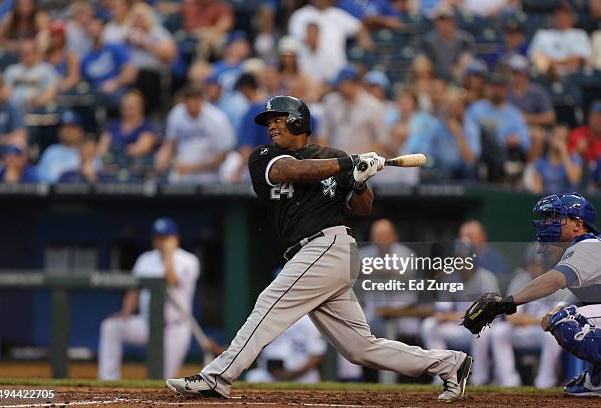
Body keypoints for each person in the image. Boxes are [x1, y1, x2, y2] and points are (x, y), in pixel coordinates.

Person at [166, 95, 473, 403]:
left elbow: (363, 207)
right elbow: (293, 172)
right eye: (269, 121)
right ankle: (450, 364)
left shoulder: (333, 156)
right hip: (312, 255)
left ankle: (217, 377)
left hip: (329, 246)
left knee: (269, 302)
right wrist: (348, 163)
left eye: (278, 118)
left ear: (299, 121)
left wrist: (359, 181)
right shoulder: (262, 156)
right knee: (360, 348)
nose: (271, 125)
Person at [464, 192, 601, 397]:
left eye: (556, 217)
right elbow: (590, 293)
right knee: (564, 315)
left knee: (567, 321)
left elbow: (554, 280)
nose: (548, 222)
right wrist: (559, 307)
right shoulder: (586, 248)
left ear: (577, 224)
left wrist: (507, 303)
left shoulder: (588, 246)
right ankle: (596, 381)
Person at [98, 217, 200, 380]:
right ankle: (107, 380)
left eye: (165, 237)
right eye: (158, 237)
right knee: (111, 327)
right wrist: (126, 311)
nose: (161, 242)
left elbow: (172, 280)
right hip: (146, 325)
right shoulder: (145, 259)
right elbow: (134, 291)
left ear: (176, 239)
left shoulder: (189, 261)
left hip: (173, 330)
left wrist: (168, 255)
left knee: (162, 382)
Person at [421, 242, 498, 385]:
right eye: (458, 258)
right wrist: (460, 316)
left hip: (478, 329)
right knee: (429, 325)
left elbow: (488, 314)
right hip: (457, 327)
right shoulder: (450, 279)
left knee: (485, 331)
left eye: (465, 258)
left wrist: (454, 316)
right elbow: (441, 314)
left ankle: (479, 379)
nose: (461, 261)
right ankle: (442, 376)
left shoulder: (487, 279)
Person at [488, 244, 565, 388]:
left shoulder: (556, 280)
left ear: (546, 263)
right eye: (531, 263)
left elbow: (557, 317)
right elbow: (511, 317)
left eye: (537, 264)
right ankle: (509, 381)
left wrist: (527, 320)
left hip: (544, 332)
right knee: (499, 331)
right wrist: (537, 320)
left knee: (553, 335)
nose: (533, 268)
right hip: (526, 330)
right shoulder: (520, 280)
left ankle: (545, 382)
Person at [155, 85, 235, 184]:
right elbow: (169, 143)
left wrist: (193, 167)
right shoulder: (177, 113)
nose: (192, 103)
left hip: (209, 176)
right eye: (189, 100)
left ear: (202, 100)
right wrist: (162, 159)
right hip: (181, 173)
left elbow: (223, 155)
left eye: (195, 99)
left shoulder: (217, 118)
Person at [288, 0, 373, 85]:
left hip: (336, 77)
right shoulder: (300, 15)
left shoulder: (337, 14)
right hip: (306, 75)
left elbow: (359, 28)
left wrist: (364, 40)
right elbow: (293, 43)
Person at [319, 66, 390, 155]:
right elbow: (323, 135)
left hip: (362, 163)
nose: (338, 87)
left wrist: (362, 158)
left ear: (353, 83)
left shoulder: (373, 106)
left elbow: (382, 140)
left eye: (341, 84)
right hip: (335, 162)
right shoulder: (331, 101)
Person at [245, 315, 326, 383]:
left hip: (302, 376)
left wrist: (294, 373)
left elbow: (317, 354)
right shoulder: (268, 318)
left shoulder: (309, 321)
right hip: (269, 374)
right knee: (254, 377)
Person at [81, 16, 137, 113]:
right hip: (97, 93)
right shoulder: (86, 58)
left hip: (118, 90)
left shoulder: (115, 47)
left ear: (103, 28)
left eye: (96, 25)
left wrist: (115, 83)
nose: (93, 28)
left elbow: (130, 73)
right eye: (90, 26)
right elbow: (85, 82)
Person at [98, 90, 157, 180]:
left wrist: (119, 152)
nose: (128, 106)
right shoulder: (112, 126)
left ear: (140, 106)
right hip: (110, 167)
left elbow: (143, 147)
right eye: (125, 103)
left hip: (135, 168)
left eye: (132, 103)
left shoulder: (147, 126)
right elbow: (102, 148)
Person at [528, 2, 591, 78]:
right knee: (539, 60)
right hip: (546, 73)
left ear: (571, 18)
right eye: (558, 14)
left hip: (571, 73)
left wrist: (556, 63)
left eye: (565, 14)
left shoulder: (580, 34)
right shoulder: (543, 34)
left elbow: (581, 57)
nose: (561, 17)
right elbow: (533, 56)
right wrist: (551, 65)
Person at [3, 36, 59, 113]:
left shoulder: (47, 70)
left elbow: (51, 93)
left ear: (36, 52)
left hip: (38, 109)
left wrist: (38, 101)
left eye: (29, 52)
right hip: (14, 110)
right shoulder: (11, 70)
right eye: (24, 52)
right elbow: (6, 92)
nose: (26, 55)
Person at [418, 4, 474, 81]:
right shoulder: (429, 40)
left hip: (456, 74)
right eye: (441, 20)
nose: (444, 23)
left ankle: (460, 88)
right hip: (435, 77)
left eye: (447, 19)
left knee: (466, 62)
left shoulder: (464, 39)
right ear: (436, 22)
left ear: (453, 21)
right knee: (420, 63)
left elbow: (467, 58)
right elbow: (423, 60)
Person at [36, 110, 87, 183]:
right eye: (64, 127)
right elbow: (39, 177)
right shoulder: (51, 151)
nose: (67, 131)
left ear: (81, 131)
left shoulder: (87, 151)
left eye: (71, 127)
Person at [531, 124, 582, 194]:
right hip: (548, 201)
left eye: (562, 138)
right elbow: (538, 188)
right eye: (557, 136)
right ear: (550, 138)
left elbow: (574, 180)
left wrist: (564, 152)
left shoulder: (574, 158)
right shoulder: (541, 161)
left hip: (568, 201)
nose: (559, 141)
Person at [0, 72, 26, 166]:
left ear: (3, 89)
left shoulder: (11, 107)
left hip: (5, 150)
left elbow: (20, 134)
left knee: (18, 143)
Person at [569, 101, 601, 167]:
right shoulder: (576, 135)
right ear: (588, 118)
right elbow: (566, 163)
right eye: (596, 116)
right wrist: (577, 153)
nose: (599, 120)